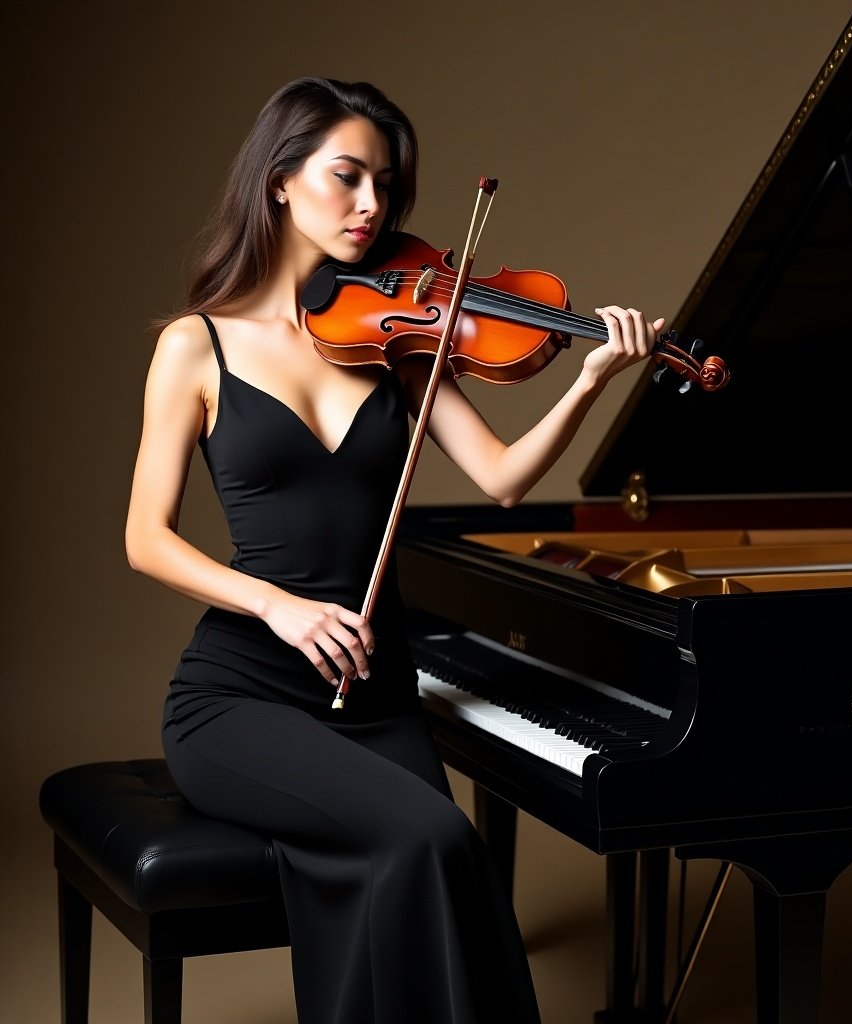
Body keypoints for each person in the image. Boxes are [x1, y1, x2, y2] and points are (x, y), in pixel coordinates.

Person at [125, 76, 664, 1024]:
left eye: (385, 184)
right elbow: (144, 539)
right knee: (432, 840)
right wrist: (277, 604)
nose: (373, 205)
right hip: (241, 696)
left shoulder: (398, 344)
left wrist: (586, 380)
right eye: (348, 176)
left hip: (376, 697)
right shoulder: (194, 346)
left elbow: (500, 478)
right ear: (280, 181)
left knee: (439, 860)